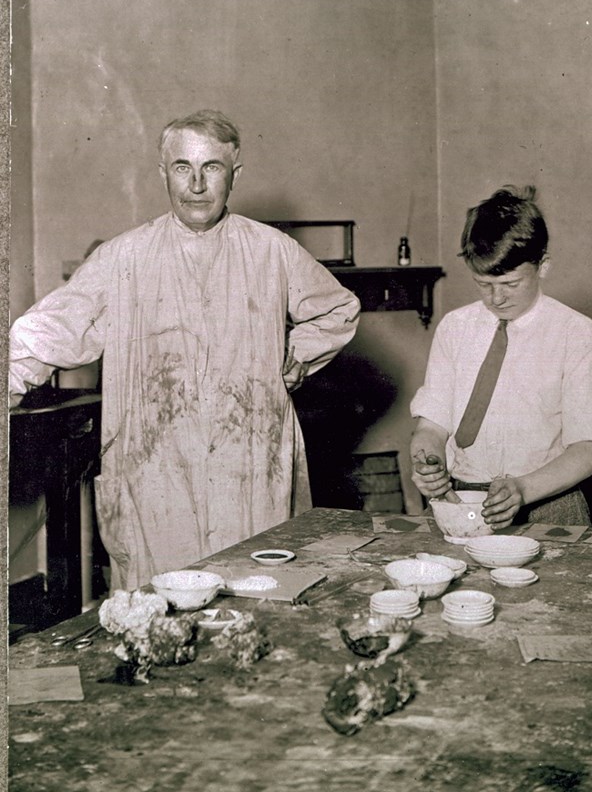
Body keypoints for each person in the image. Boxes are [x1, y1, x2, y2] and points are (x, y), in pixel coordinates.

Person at [9, 109, 360, 590]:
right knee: (160, 614)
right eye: (182, 167)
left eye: (211, 168)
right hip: (155, 474)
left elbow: (338, 309)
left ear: (235, 175)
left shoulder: (272, 252)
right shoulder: (123, 258)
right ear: (163, 172)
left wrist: (297, 355)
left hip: (249, 470)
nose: (196, 184)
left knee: (253, 600)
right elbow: (44, 333)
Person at [410, 185, 592, 528]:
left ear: (543, 266)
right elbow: (431, 425)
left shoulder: (577, 335)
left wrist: (523, 488)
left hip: (548, 507)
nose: (497, 298)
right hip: (461, 502)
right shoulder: (454, 329)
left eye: (511, 284)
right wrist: (425, 461)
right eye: (484, 284)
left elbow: (587, 450)